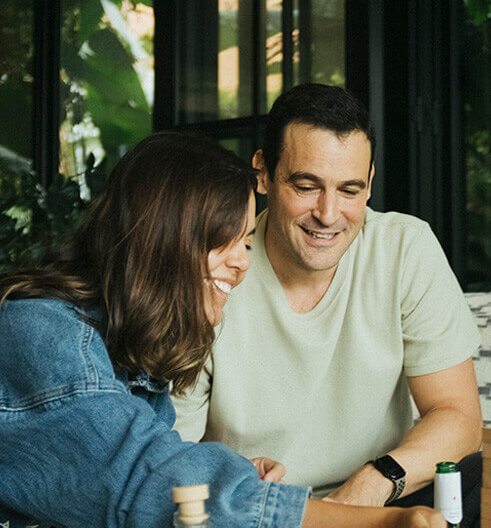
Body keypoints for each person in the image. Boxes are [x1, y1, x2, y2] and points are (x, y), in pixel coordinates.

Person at [0, 131, 444, 527]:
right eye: (225, 241)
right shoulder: (41, 332)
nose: (242, 262)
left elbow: (149, 469)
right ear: (166, 237)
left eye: (246, 242)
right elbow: (146, 482)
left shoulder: (130, 348)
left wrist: (234, 476)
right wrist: (375, 524)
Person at [172, 84, 484, 523]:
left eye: (350, 190)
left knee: (473, 476)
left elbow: (459, 418)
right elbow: (171, 460)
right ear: (262, 172)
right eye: (306, 185)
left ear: (371, 182)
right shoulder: (217, 272)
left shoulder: (404, 248)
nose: (329, 213)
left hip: (380, 499)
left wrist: (372, 485)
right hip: (260, 510)